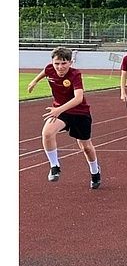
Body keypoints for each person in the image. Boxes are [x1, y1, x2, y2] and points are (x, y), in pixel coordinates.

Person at [27, 47, 101, 189]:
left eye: (63, 63)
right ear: (52, 63)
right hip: (61, 111)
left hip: (80, 113)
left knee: (86, 147)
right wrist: (34, 81)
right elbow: (46, 71)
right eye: (57, 64)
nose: (60, 67)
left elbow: (79, 98)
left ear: (70, 62)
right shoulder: (50, 69)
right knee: (47, 133)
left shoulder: (75, 74)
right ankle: (55, 166)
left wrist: (59, 109)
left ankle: (95, 171)